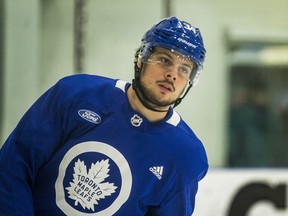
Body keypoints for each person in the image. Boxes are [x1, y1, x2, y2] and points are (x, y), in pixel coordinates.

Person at [0, 16, 208, 215]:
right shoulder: (75, 94)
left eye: (184, 69)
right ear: (140, 59)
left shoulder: (186, 155)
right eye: (164, 60)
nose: (172, 74)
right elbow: (13, 168)